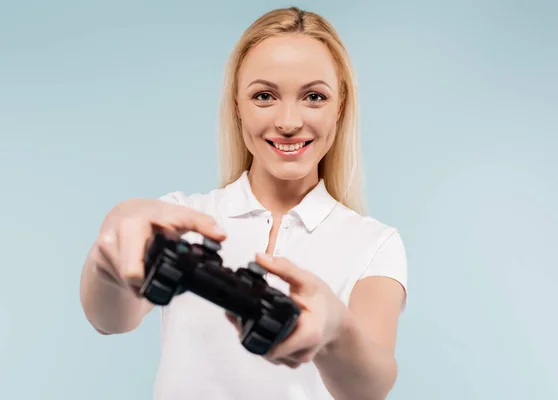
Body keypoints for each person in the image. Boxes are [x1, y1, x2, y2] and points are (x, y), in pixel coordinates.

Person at [79, 6, 408, 400]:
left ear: (340, 107)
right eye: (264, 96)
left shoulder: (375, 244)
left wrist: (336, 329)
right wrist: (110, 246)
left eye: (314, 97)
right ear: (237, 104)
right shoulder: (183, 216)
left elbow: (371, 387)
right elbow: (110, 319)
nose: (288, 121)